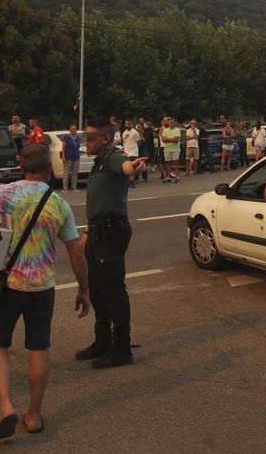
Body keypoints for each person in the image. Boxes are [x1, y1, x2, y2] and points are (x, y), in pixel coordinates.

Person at [0, 143, 88, 440]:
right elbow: (76, 253)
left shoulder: (4, 193)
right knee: (38, 347)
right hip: (42, 287)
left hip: (8, 283)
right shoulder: (59, 203)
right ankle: (35, 415)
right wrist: (84, 289)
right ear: (47, 167)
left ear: (20, 163)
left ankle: (6, 407)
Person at [74, 118, 148, 369]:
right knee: (96, 289)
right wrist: (88, 229)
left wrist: (133, 167)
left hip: (112, 231)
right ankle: (102, 341)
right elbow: (99, 200)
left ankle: (122, 348)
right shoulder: (99, 161)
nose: (87, 142)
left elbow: (126, 167)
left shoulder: (114, 156)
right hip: (97, 231)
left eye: (91, 138)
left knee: (113, 290)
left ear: (105, 139)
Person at [60, 125, 82, 192]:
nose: (74, 130)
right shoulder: (67, 137)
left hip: (76, 157)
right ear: (70, 130)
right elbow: (63, 146)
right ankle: (65, 188)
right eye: (72, 129)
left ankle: (73, 187)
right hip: (68, 157)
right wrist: (63, 156)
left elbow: (78, 146)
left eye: (75, 129)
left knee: (75, 173)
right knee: (66, 173)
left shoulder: (77, 137)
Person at [121, 119, 142, 186]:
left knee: (132, 167)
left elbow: (139, 142)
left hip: (133, 152)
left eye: (128, 124)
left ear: (131, 124)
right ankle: (129, 180)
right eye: (126, 124)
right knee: (127, 167)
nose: (127, 125)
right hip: (126, 152)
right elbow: (123, 142)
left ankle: (132, 181)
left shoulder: (135, 132)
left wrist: (135, 149)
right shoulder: (124, 133)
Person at [160, 117, 182, 183]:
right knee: (168, 163)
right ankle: (168, 177)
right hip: (167, 149)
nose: (171, 124)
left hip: (175, 149)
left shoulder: (177, 130)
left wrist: (168, 139)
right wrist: (171, 139)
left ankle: (177, 176)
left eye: (172, 122)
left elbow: (176, 140)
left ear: (174, 123)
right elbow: (163, 140)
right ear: (168, 123)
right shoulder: (165, 130)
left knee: (175, 162)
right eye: (170, 122)